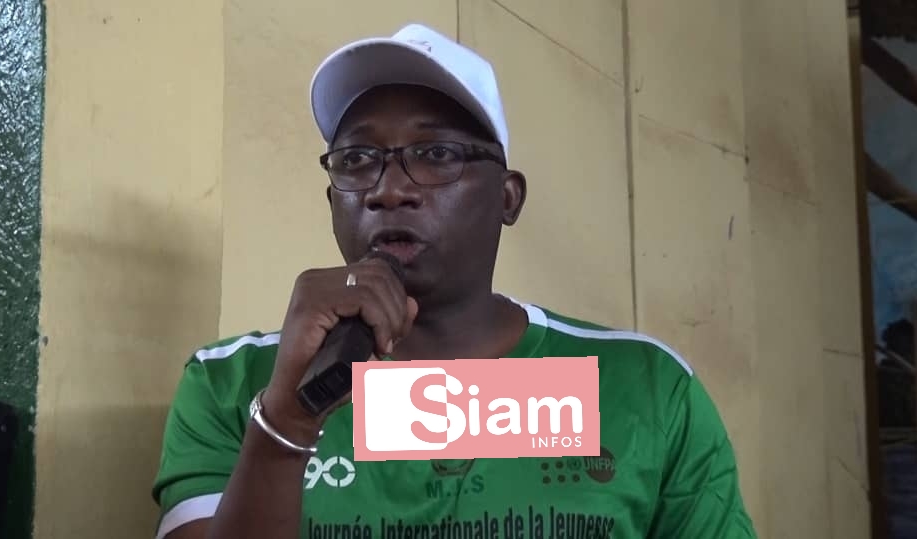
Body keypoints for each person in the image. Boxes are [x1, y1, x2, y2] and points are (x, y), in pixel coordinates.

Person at [151, 23, 758, 539]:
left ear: (507, 197)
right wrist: (287, 421)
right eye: (357, 160)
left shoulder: (645, 389)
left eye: (437, 154)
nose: (389, 189)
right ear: (332, 200)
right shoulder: (231, 385)